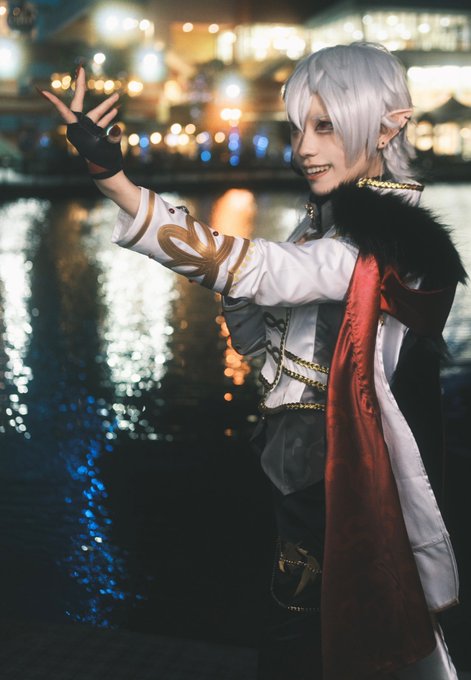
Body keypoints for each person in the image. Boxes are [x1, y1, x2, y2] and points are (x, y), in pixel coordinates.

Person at [41, 42, 466, 680]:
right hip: (310, 465)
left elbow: (258, 271)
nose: (303, 148)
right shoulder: (338, 223)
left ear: (388, 127)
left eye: (325, 127)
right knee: (315, 635)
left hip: (342, 475)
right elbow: (268, 324)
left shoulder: (382, 243)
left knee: (312, 640)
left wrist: (117, 184)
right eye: (298, 128)